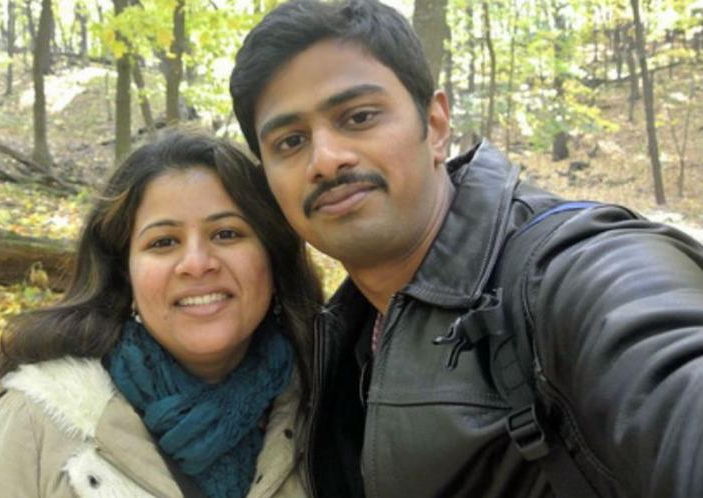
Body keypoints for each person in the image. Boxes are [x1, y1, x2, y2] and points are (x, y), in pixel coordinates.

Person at [229, 0, 703, 497]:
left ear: (435, 125)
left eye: (359, 116)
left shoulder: (569, 272)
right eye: (290, 142)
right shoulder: (338, 341)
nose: (325, 160)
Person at [0, 128, 322, 498]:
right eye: (163, 242)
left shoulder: (328, 402)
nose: (196, 264)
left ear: (272, 255)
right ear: (125, 273)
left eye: (226, 234)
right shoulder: (38, 417)